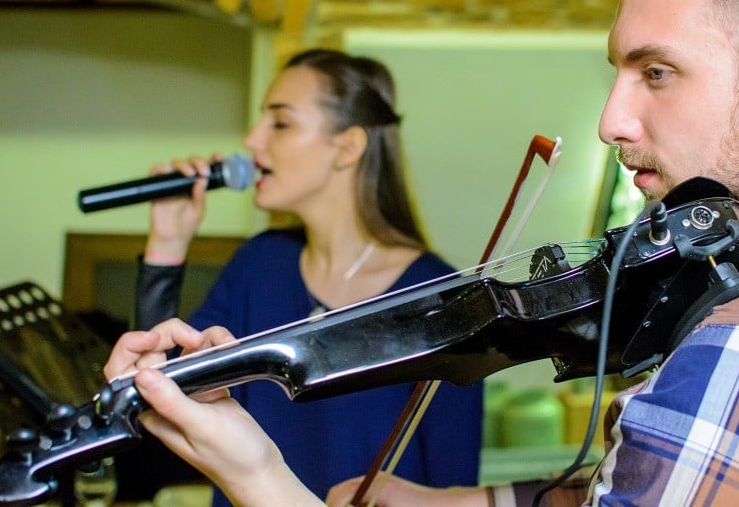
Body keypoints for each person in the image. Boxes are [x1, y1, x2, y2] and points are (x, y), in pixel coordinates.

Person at [104, 0, 739, 507]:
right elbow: (647, 480)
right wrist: (462, 503)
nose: (613, 119)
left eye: (657, 72)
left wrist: (255, 473)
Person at [124, 48, 483, 503]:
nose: (252, 142)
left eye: (280, 123)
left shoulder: (443, 299)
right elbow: (156, 395)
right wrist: (168, 244)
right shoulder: (258, 264)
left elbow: (454, 486)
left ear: (348, 147)